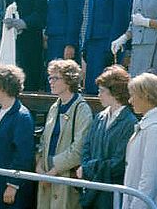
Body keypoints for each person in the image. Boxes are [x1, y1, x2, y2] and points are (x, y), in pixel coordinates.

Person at [77, 65, 137, 209]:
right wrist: (87, 167)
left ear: (115, 93)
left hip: (112, 194)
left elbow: (119, 163)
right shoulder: (99, 117)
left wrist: (87, 168)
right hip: (92, 190)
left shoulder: (130, 122)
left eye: (102, 91)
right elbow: (87, 147)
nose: (99, 95)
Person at [36, 59, 93, 209]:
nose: (51, 82)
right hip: (47, 177)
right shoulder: (55, 107)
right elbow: (44, 140)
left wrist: (53, 171)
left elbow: (79, 148)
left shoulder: (82, 109)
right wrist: (40, 166)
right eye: (50, 77)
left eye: (55, 78)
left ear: (69, 80)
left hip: (65, 179)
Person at [0, 65, 35, 209]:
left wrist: (13, 184)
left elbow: (24, 155)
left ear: (5, 88)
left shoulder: (22, 116)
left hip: (4, 179)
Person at [83, 0, 132, 94]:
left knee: (105, 88)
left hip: (107, 46)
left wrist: (111, 51)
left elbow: (121, 20)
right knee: (91, 88)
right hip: (93, 45)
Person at [123, 73, 157, 209]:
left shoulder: (156, 129)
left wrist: (137, 206)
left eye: (133, 95)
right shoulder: (150, 124)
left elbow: (150, 177)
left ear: (145, 95)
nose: (130, 100)